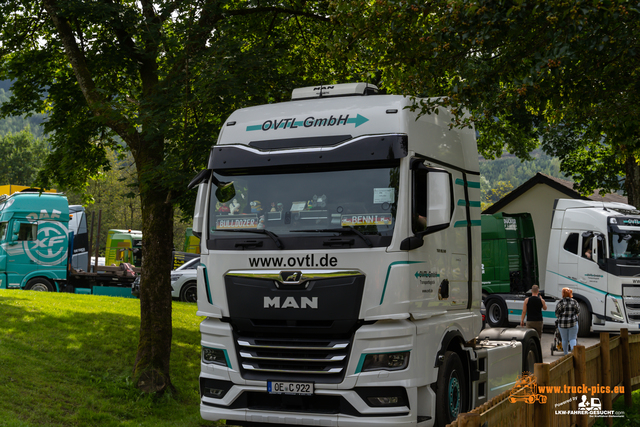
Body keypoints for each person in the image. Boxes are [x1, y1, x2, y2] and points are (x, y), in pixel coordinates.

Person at [555, 287, 580, 355]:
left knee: (564, 339)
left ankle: (565, 354)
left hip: (562, 324)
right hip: (573, 323)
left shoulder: (560, 302)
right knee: (572, 339)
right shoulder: (574, 301)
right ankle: (573, 350)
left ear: (563, 294)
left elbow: (557, 313)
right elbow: (578, 311)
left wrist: (560, 317)